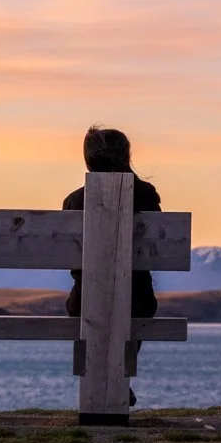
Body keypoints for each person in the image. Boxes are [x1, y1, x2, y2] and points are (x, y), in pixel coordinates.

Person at [62, 125, 160, 318]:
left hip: (83, 302)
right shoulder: (146, 195)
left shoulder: (73, 201)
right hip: (138, 302)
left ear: (88, 159)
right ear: (127, 155)